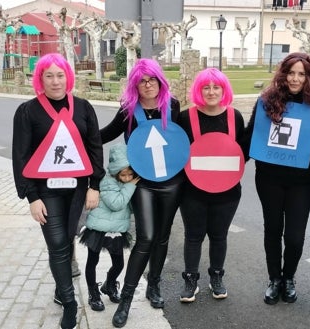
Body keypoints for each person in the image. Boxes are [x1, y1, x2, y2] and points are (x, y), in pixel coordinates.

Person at [12, 53, 105, 329]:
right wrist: (31, 197)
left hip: (77, 190)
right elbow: (21, 156)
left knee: (67, 239)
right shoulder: (28, 111)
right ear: (40, 79)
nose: (55, 81)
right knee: (57, 246)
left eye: (60, 74)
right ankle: (70, 302)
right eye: (49, 75)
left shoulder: (84, 107)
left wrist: (95, 186)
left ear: (68, 77)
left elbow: (94, 147)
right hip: (46, 191)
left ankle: (60, 285)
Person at [101, 58, 189, 328]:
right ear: (135, 85)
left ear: (160, 81)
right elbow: (102, 135)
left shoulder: (171, 106)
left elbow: (184, 140)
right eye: (142, 80)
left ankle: (154, 286)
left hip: (172, 182)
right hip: (143, 184)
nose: (148, 84)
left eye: (152, 79)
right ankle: (127, 299)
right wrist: (74, 134)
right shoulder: (128, 111)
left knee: (162, 238)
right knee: (146, 238)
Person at [244, 52, 310, 305]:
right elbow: (250, 137)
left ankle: (289, 277)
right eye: (291, 72)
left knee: (294, 236)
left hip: (301, 180)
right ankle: (274, 279)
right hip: (269, 178)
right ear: (283, 74)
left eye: (301, 74)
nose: (295, 78)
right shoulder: (266, 101)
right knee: (273, 229)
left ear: (309, 77)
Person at [177, 68, 246, 303]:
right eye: (205, 87)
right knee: (193, 236)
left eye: (216, 87)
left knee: (219, 236)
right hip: (192, 191)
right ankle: (190, 279)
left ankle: (216, 276)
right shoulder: (186, 118)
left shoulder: (234, 117)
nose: (211, 91)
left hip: (227, 191)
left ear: (224, 90)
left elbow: (241, 152)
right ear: (199, 90)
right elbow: (176, 153)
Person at [79, 143, 139, 312]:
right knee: (93, 261)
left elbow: (130, 207)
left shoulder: (127, 184)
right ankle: (93, 293)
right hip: (98, 228)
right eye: (123, 174)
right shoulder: (106, 181)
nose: (127, 178)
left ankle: (110, 284)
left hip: (117, 229)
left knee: (119, 263)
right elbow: (116, 203)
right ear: (115, 171)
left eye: (130, 174)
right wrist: (131, 186)